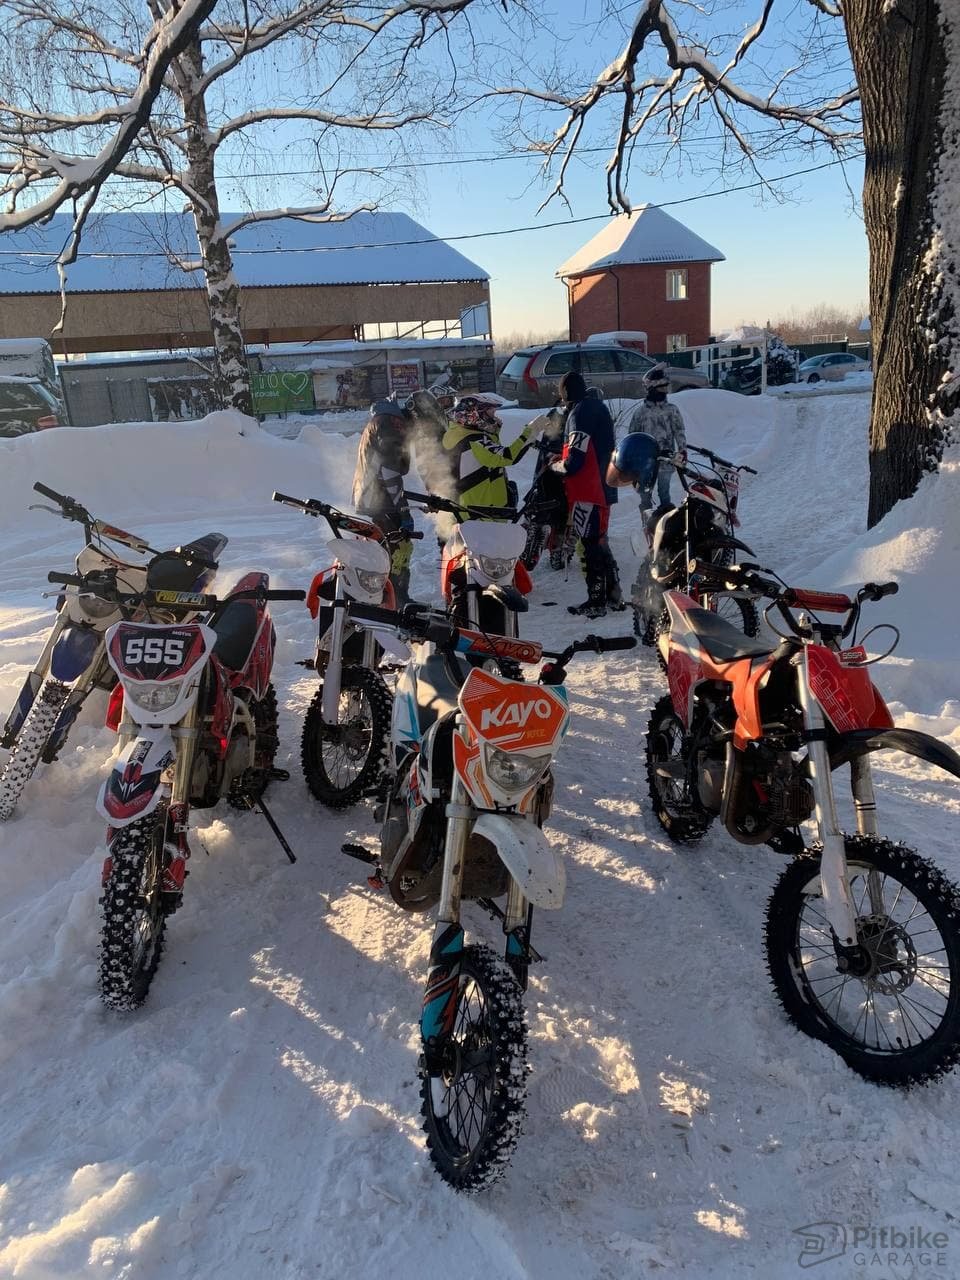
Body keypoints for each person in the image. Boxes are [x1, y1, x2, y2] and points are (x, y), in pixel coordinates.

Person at [550, 371, 624, 618]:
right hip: (604, 485)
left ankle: (596, 600)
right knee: (600, 541)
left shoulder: (579, 413)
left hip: (588, 489)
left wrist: (556, 466)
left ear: (566, 394)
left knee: (590, 544)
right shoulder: (597, 407)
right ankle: (613, 596)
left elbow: (575, 461)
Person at [351, 395, 416, 603]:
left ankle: (391, 597)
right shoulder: (390, 425)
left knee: (388, 549)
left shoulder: (381, 421)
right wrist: (404, 510)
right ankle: (395, 600)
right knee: (398, 547)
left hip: (371, 496)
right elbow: (389, 472)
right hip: (380, 499)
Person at [441, 393, 538, 514]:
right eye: (491, 414)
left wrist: (493, 431)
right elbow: (506, 456)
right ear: (475, 415)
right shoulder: (474, 440)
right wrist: (530, 433)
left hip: (470, 507)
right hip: (481, 511)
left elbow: (489, 455)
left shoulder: (458, 433)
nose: (495, 418)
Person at [627, 365, 686, 511]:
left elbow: (679, 430)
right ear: (652, 389)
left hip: (667, 459)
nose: (665, 391)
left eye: (666, 387)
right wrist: (632, 459)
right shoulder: (640, 413)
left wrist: (682, 449)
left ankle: (665, 524)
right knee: (645, 494)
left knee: (664, 492)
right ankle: (647, 525)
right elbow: (632, 436)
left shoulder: (671, 410)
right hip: (645, 461)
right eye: (662, 387)